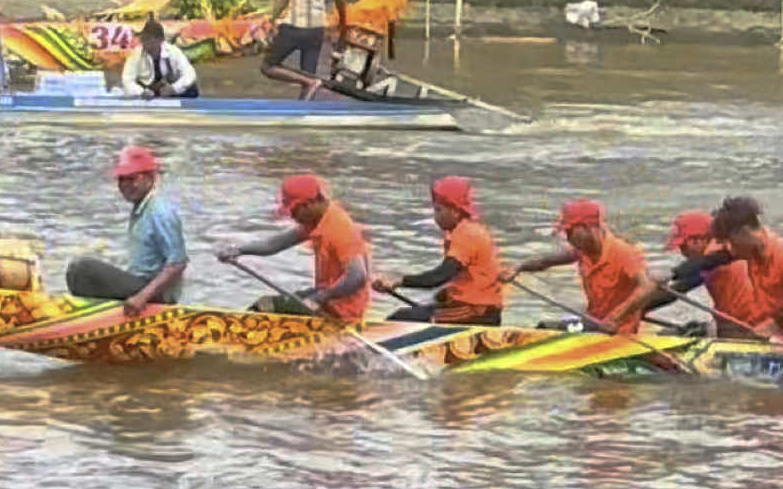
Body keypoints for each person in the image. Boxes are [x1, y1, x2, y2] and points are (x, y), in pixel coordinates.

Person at [216, 173, 372, 323]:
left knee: (265, 306)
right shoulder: (316, 221)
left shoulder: (340, 228)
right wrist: (239, 250)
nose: (292, 216)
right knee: (269, 304)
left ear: (309, 204)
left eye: (293, 210)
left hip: (340, 310)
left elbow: (357, 277)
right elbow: (273, 245)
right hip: (326, 297)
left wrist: (319, 298)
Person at [65, 145, 188, 317]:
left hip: (156, 296)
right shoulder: (142, 207)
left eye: (132, 179)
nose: (125, 185)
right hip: (140, 284)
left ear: (150, 177)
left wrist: (142, 297)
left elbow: (178, 263)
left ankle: (98, 317)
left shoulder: (160, 211)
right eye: (121, 179)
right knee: (79, 273)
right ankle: (102, 316)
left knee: (81, 269)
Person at [373, 176, 505, 325]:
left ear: (455, 211)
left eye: (438, 210)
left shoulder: (467, 235)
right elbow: (457, 278)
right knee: (406, 314)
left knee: (400, 319)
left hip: (478, 311)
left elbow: (438, 277)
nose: (435, 216)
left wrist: (398, 281)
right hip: (472, 307)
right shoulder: (462, 231)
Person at [514, 199, 656, 334]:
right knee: (548, 326)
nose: (568, 238)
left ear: (588, 228)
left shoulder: (623, 252)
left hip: (615, 330)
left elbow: (647, 287)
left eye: (570, 232)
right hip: (594, 322)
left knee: (546, 327)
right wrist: (518, 268)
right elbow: (545, 261)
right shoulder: (583, 250)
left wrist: (615, 318)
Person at [654, 209, 772, 340]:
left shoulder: (716, 253)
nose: (682, 253)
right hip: (743, 322)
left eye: (682, 247)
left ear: (697, 241)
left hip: (749, 329)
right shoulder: (727, 248)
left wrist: (637, 307)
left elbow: (679, 288)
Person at [121, 17, 199, 99]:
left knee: (192, 89)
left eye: (152, 41)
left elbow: (190, 74)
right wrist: (141, 92)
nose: (148, 45)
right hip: (147, 91)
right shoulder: (136, 54)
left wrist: (174, 88)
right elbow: (127, 80)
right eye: (145, 40)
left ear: (161, 40)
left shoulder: (173, 51)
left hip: (170, 89)